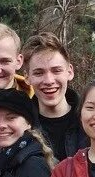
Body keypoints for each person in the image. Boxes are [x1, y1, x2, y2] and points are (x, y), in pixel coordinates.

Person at [25, 31, 86, 161]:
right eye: (39, 73)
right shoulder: (21, 128)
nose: (49, 81)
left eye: (56, 70)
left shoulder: (91, 121)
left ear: (70, 72)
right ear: (27, 77)